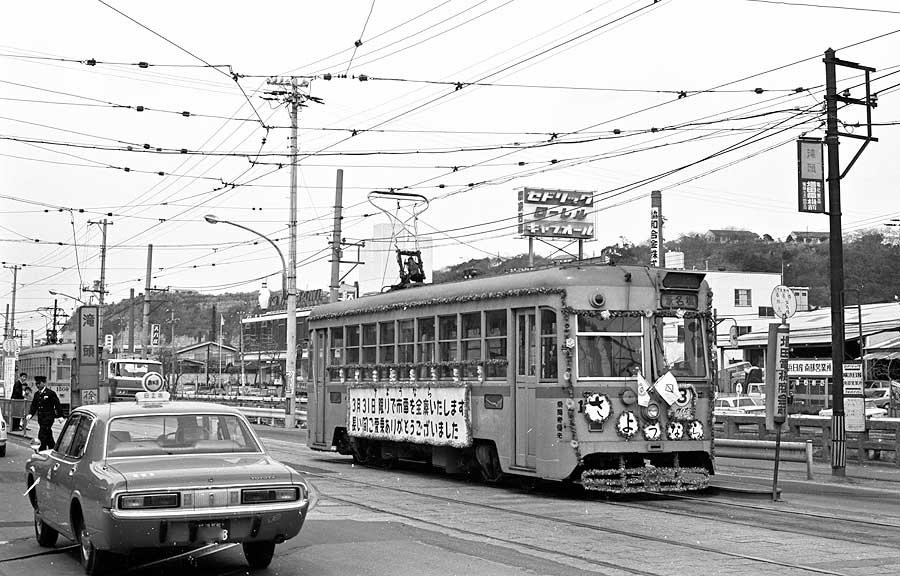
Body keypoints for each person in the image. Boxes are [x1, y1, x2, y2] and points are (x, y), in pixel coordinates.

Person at [25, 375, 64, 450]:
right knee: (48, 434)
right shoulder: (37, 394)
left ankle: (42, 451)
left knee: (42, 434)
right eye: (36, 384)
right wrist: (30, 414)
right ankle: (53, 448)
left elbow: (57, 404)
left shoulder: (50, 393)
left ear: (44, 383)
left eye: (39, 383)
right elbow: (34, 405)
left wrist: (60, 416)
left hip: (48, 418)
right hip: (41, 418)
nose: (37, 385)